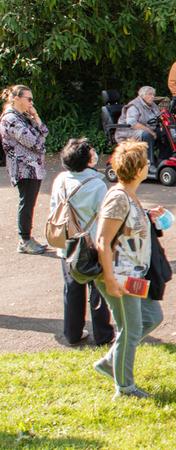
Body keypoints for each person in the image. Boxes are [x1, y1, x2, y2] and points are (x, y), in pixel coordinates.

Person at [92, 141, 165, 399]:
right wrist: (110, 279)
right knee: (131, 329)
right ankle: (124, 388)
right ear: (137, 170)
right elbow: (102, 240)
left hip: (134, 274)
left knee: (152, 316)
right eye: (145, 162)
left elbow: (129, 225)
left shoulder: (129, 194)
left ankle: (111, 361)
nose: (148, 165)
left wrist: (147, 215)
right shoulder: (118, 198)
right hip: (119, 275)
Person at [50, 138, 114, 346]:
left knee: (72, 288)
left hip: (68, 243)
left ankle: (72, 333)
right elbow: (104, 216)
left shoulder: (60, 180)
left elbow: (54, 208)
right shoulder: (97, 185)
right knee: (98, 290)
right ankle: (103, 334)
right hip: (93, 244)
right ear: (87, 160)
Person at [1, 85, 49, 254]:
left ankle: (27, 237)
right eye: (28, 99)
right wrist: (39, 139)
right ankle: (24, 240)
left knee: (30, 203)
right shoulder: (11, 119)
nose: (31, 102)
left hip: (33, 167)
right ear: (16, 98)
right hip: (24, 169)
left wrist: (35, 116)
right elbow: (35, 143)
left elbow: (44, 132)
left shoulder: (24, 117)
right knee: (26, 203)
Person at [115, 86, 161, 157]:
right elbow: (132, 123)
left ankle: (164, 158)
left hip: (146, 129)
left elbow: (159, 116)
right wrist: (151, 131)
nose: (152, 96)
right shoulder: (134, 105)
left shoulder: (153, 105)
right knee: (147, 135)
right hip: (128, 132)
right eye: (150, 94)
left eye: (153, 95)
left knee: (165, 132)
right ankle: (150, 162)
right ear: (142, 95)